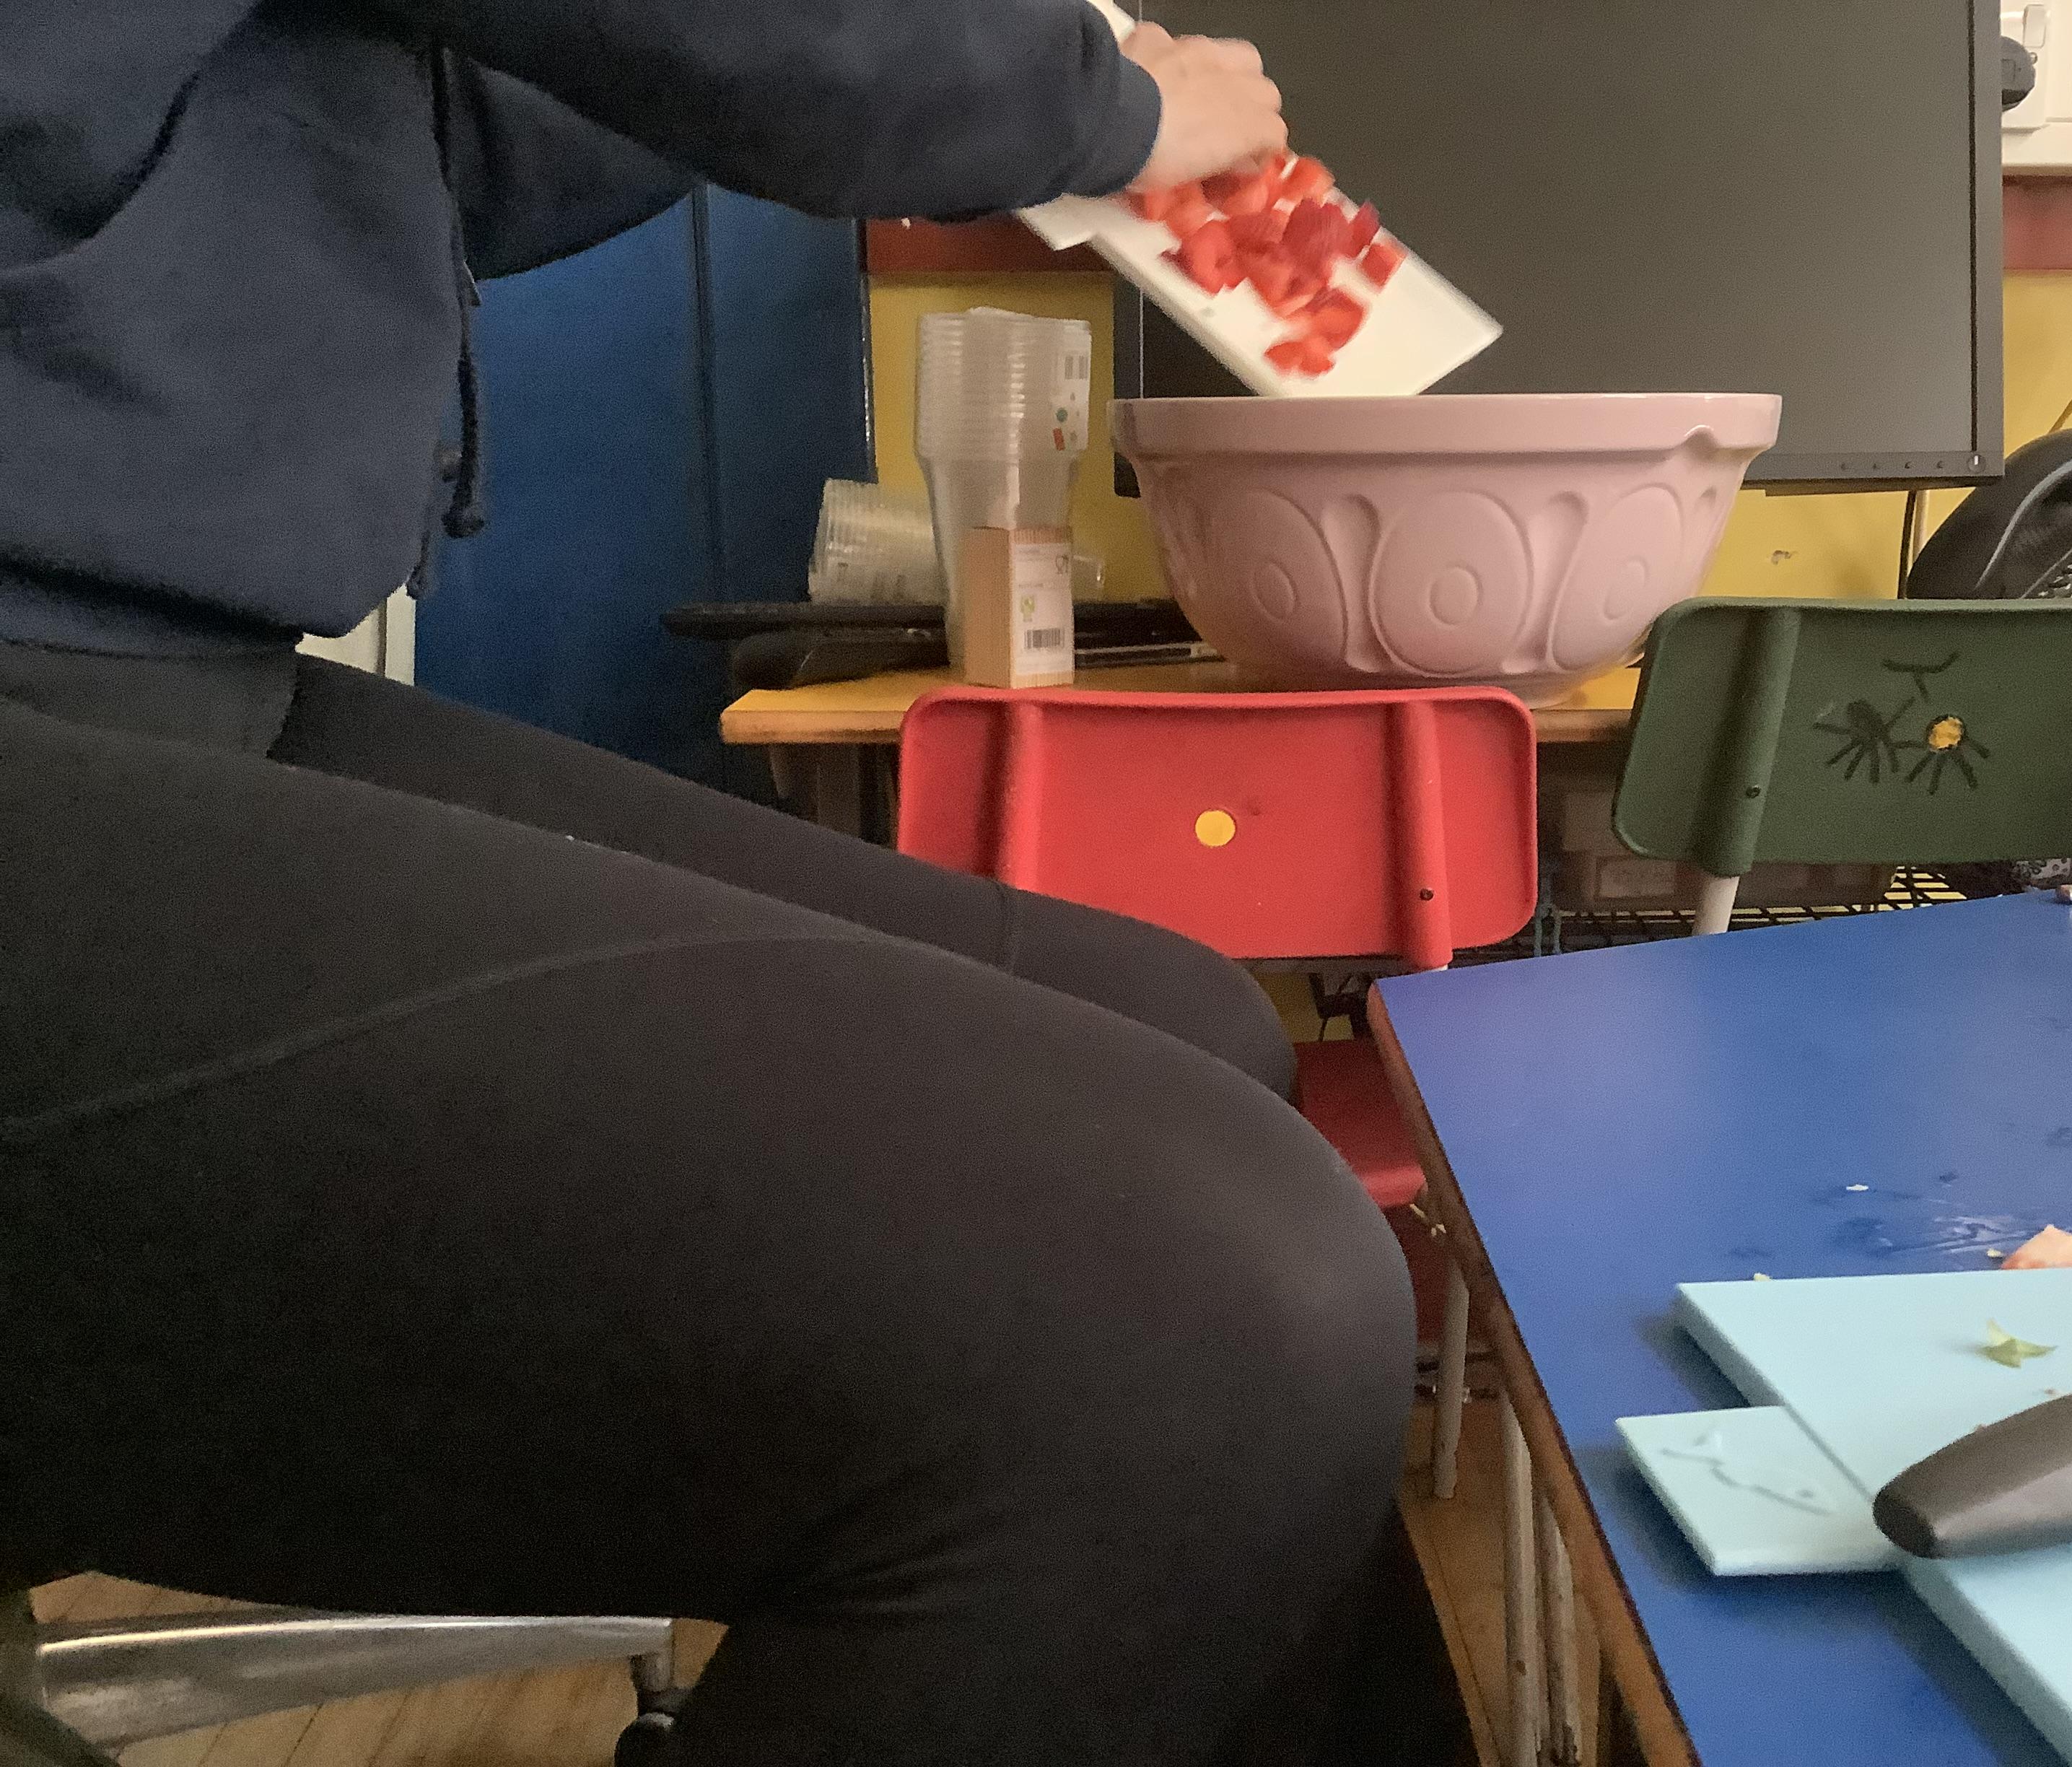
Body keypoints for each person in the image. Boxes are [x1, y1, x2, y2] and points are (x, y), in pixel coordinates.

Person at [0, 4, 1469, 1763]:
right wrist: (1105, 102)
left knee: (1189, 1027)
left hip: (165, 672)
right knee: (1205, 1323)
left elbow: (455, 149)